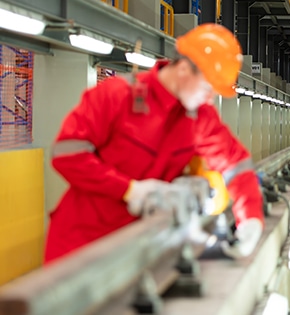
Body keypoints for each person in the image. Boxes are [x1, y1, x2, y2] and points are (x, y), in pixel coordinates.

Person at [45, 24, 264, 263]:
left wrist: (250, 217)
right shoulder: (118, 96)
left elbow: (235, 165)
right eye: (206, 87)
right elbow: (66, 154)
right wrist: (129, 190)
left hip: (141, 248)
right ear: (183, 69)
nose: (209, 97)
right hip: (82, 245)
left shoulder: (199, 117)